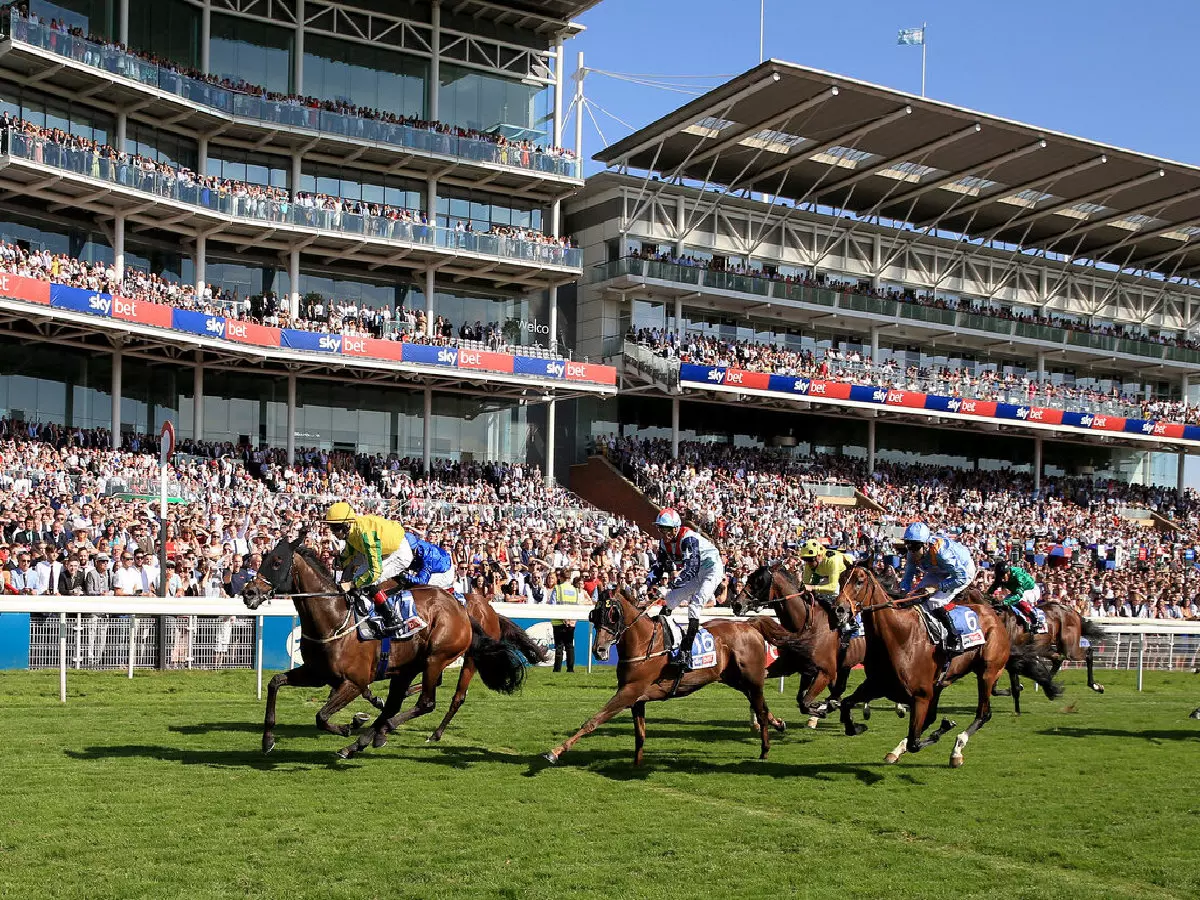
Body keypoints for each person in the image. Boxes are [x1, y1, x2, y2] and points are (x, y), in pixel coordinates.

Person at [645, 508, 724, 669]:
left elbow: (691, 569)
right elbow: (659, 566)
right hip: (697, 572)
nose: (663, 533)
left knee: (695, 604)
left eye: (666, 529)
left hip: (711, 569)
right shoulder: (663, 543)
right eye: (660, 528)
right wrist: (650, 584)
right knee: (670, 600)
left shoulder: (688, 538)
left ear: (675, 528)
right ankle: (662, 642)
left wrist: (669, 586)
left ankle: (686, 652)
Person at [325, 501, 411, 636]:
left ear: (346, 525)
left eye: (336, 528)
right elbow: (349, 552)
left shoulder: (366, 534)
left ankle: (392, 619)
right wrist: (340, 561)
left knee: (367, 581)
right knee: (356, 580)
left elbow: (375, 572)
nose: (333, 532)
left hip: (398, 552)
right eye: (331, 528)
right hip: (379, 549)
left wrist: (352, 584)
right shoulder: (352, 530)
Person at [898, 522, 977, 648]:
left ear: (925, 544)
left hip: (962, 572)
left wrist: (937, 587)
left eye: (915, 546)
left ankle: (953, 636)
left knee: (935, 601)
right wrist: (903, 593)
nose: (912, 550)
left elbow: (961, 578)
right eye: (909, 546)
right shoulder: (911, 554)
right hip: (938, 570)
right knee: (914, 597)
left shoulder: (942, 553)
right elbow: (907, 577)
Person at [797, 538, 856, 641]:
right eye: (805, 559)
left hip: (847, 573)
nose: (808, 563)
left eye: (810, 560)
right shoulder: (809, 563)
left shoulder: (832, 560)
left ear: (819, 556)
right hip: (828, 575)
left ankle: (850, 624)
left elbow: (832, 587)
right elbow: (806, 583)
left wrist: (813, 588)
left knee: (837, 596)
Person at [986, 557, 1041, 632]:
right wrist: (986, 597)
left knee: (1020, 599)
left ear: (1008, 572)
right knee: (1006, 602)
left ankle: (1035, 618)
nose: (1001, 579)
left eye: (1003, 576)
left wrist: (1004, 602)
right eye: (1000, 576)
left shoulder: (1017, 575)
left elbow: (1019, 595)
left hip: (1031, 590)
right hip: (1017, 592)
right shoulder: (1001, 576)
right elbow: (992, 588)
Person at [549, 568, 577, 673]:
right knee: (570, 646)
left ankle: (557, 669)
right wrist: (572, 620)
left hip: (558, 621)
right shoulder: (575, 590)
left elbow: (553, 604)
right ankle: (570, 669)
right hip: (572, 622)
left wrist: (563, 618)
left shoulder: (557, 588)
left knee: (559, 646)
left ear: (560, 577)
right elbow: (577, 606)